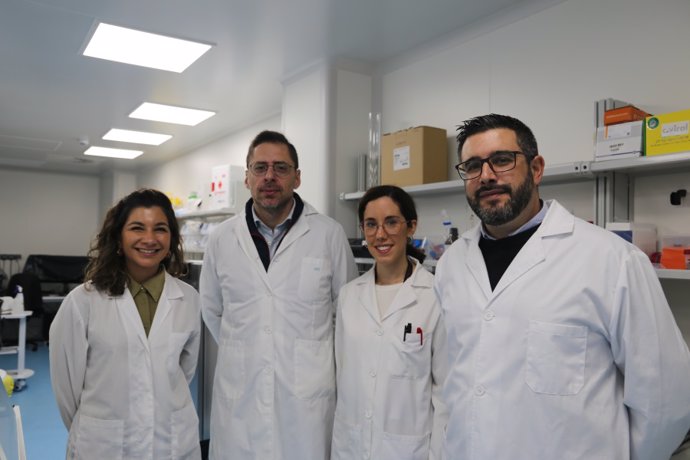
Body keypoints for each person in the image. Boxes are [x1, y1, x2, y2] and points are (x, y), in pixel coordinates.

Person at [433, 113, 690, 459]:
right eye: (472, 166)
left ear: (536, 169)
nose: (487, 176)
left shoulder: (612, 260)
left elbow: (665, 399)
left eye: (502, 160)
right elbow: (456, 383)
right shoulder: (451, 264)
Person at [200, 130, 357, 460]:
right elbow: (213, 311)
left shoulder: (329, 235)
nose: (269, 176)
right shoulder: (222, 239)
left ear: (297, 178)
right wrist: (251, 347)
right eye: (260, 168)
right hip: (240, 399)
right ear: (246, 177)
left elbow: (345, 314)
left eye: (281, 168)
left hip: (307, 404)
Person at [49, 188, 202, 459]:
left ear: (171, 240)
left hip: (171, 441)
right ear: (118, 238)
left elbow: (182, 372)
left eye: (160, 229)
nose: (149, 239)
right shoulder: (83, 302)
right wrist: (96, 427)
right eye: (137, 228)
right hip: (103, 445)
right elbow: (66, 386)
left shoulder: (188, 299)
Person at [331, 185, 448, 460]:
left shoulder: (435, 296)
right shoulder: (349, 296)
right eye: (371, 224)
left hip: (409, 450)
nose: (380, 234)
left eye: (391, 222)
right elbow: (342, 379)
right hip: (351, 446)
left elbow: (444, 393)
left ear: (411, 227)